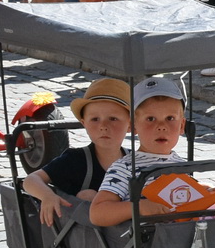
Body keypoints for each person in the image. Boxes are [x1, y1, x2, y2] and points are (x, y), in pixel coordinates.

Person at [23, 78, 131, 225]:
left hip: (129, 234)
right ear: (84, 124)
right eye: (95, 119)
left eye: (113, 119)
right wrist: (47, 196)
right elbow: (31, 180)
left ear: (130, 125)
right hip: (87, 236)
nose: (103, 126)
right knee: (88, 195)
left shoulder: (135, 160)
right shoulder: (75, 159)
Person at [88, 78, 187, 227]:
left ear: (182, 126)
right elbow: (97, 213)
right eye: (151, 119)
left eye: (170, 118)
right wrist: (139, 207)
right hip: (147, 244)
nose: (161, 126)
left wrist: (207, 192)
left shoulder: (182, 165)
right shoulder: (125, 167)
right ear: (133, 126)